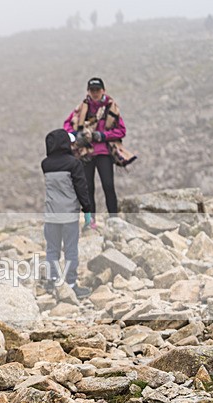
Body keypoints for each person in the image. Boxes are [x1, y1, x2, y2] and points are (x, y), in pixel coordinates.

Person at [63, 77, 129, 229]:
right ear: (88, 91)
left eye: (97, 90)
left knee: (108, 185)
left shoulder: (111, 107)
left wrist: (103, 136)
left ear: (103, 90)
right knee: (87, 188)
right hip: (86, 153)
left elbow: (121, 130)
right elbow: (66, 126)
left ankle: (114, 220)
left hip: (104, 153)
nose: (95, 93)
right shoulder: (81, 108)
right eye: (92, 90)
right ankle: (89, 222)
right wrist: (76, 135)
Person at [42, 129, 93, 299]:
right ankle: (70, 284)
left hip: (51, 214)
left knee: (52, 250)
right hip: (69, 214)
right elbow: (81, 188)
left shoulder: (45, 164)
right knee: (70, 250)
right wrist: (87, 209)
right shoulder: (73, 164)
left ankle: (55, 282)